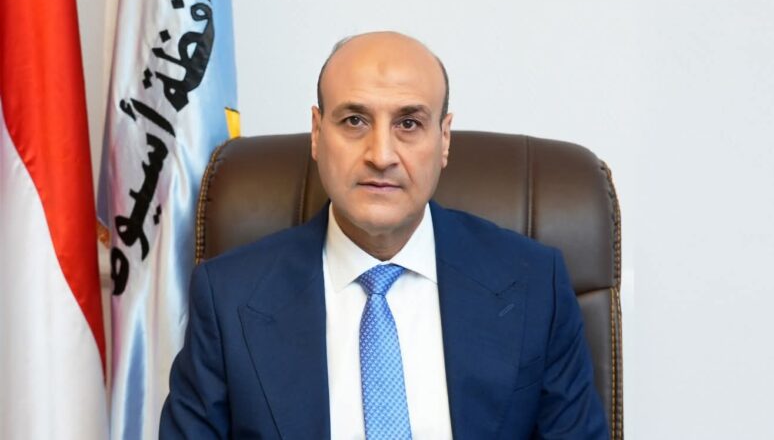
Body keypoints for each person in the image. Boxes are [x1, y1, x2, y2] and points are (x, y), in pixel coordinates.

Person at [160, 31, 608, 439]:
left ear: (444, 139)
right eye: (354, 121)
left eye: (408, 123)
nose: (381, 155)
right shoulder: (228, 298)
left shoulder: (534, 284)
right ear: (317, 134)